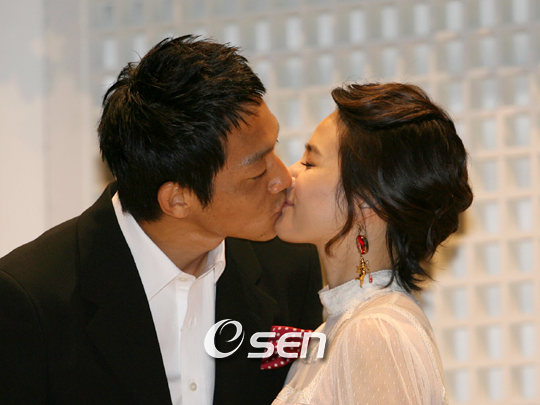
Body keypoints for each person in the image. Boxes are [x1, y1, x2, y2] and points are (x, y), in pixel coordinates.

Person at [0, 36, 322, 405]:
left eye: (274, 149)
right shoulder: (31, 299)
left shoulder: (291, 266)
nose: (283, 177)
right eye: (257, 171)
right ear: (177, 199)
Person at [273, 82, 473, 405]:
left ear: (366, 201)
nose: (288, 174)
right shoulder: (344, 326)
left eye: (310, 163)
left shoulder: (374, 331)